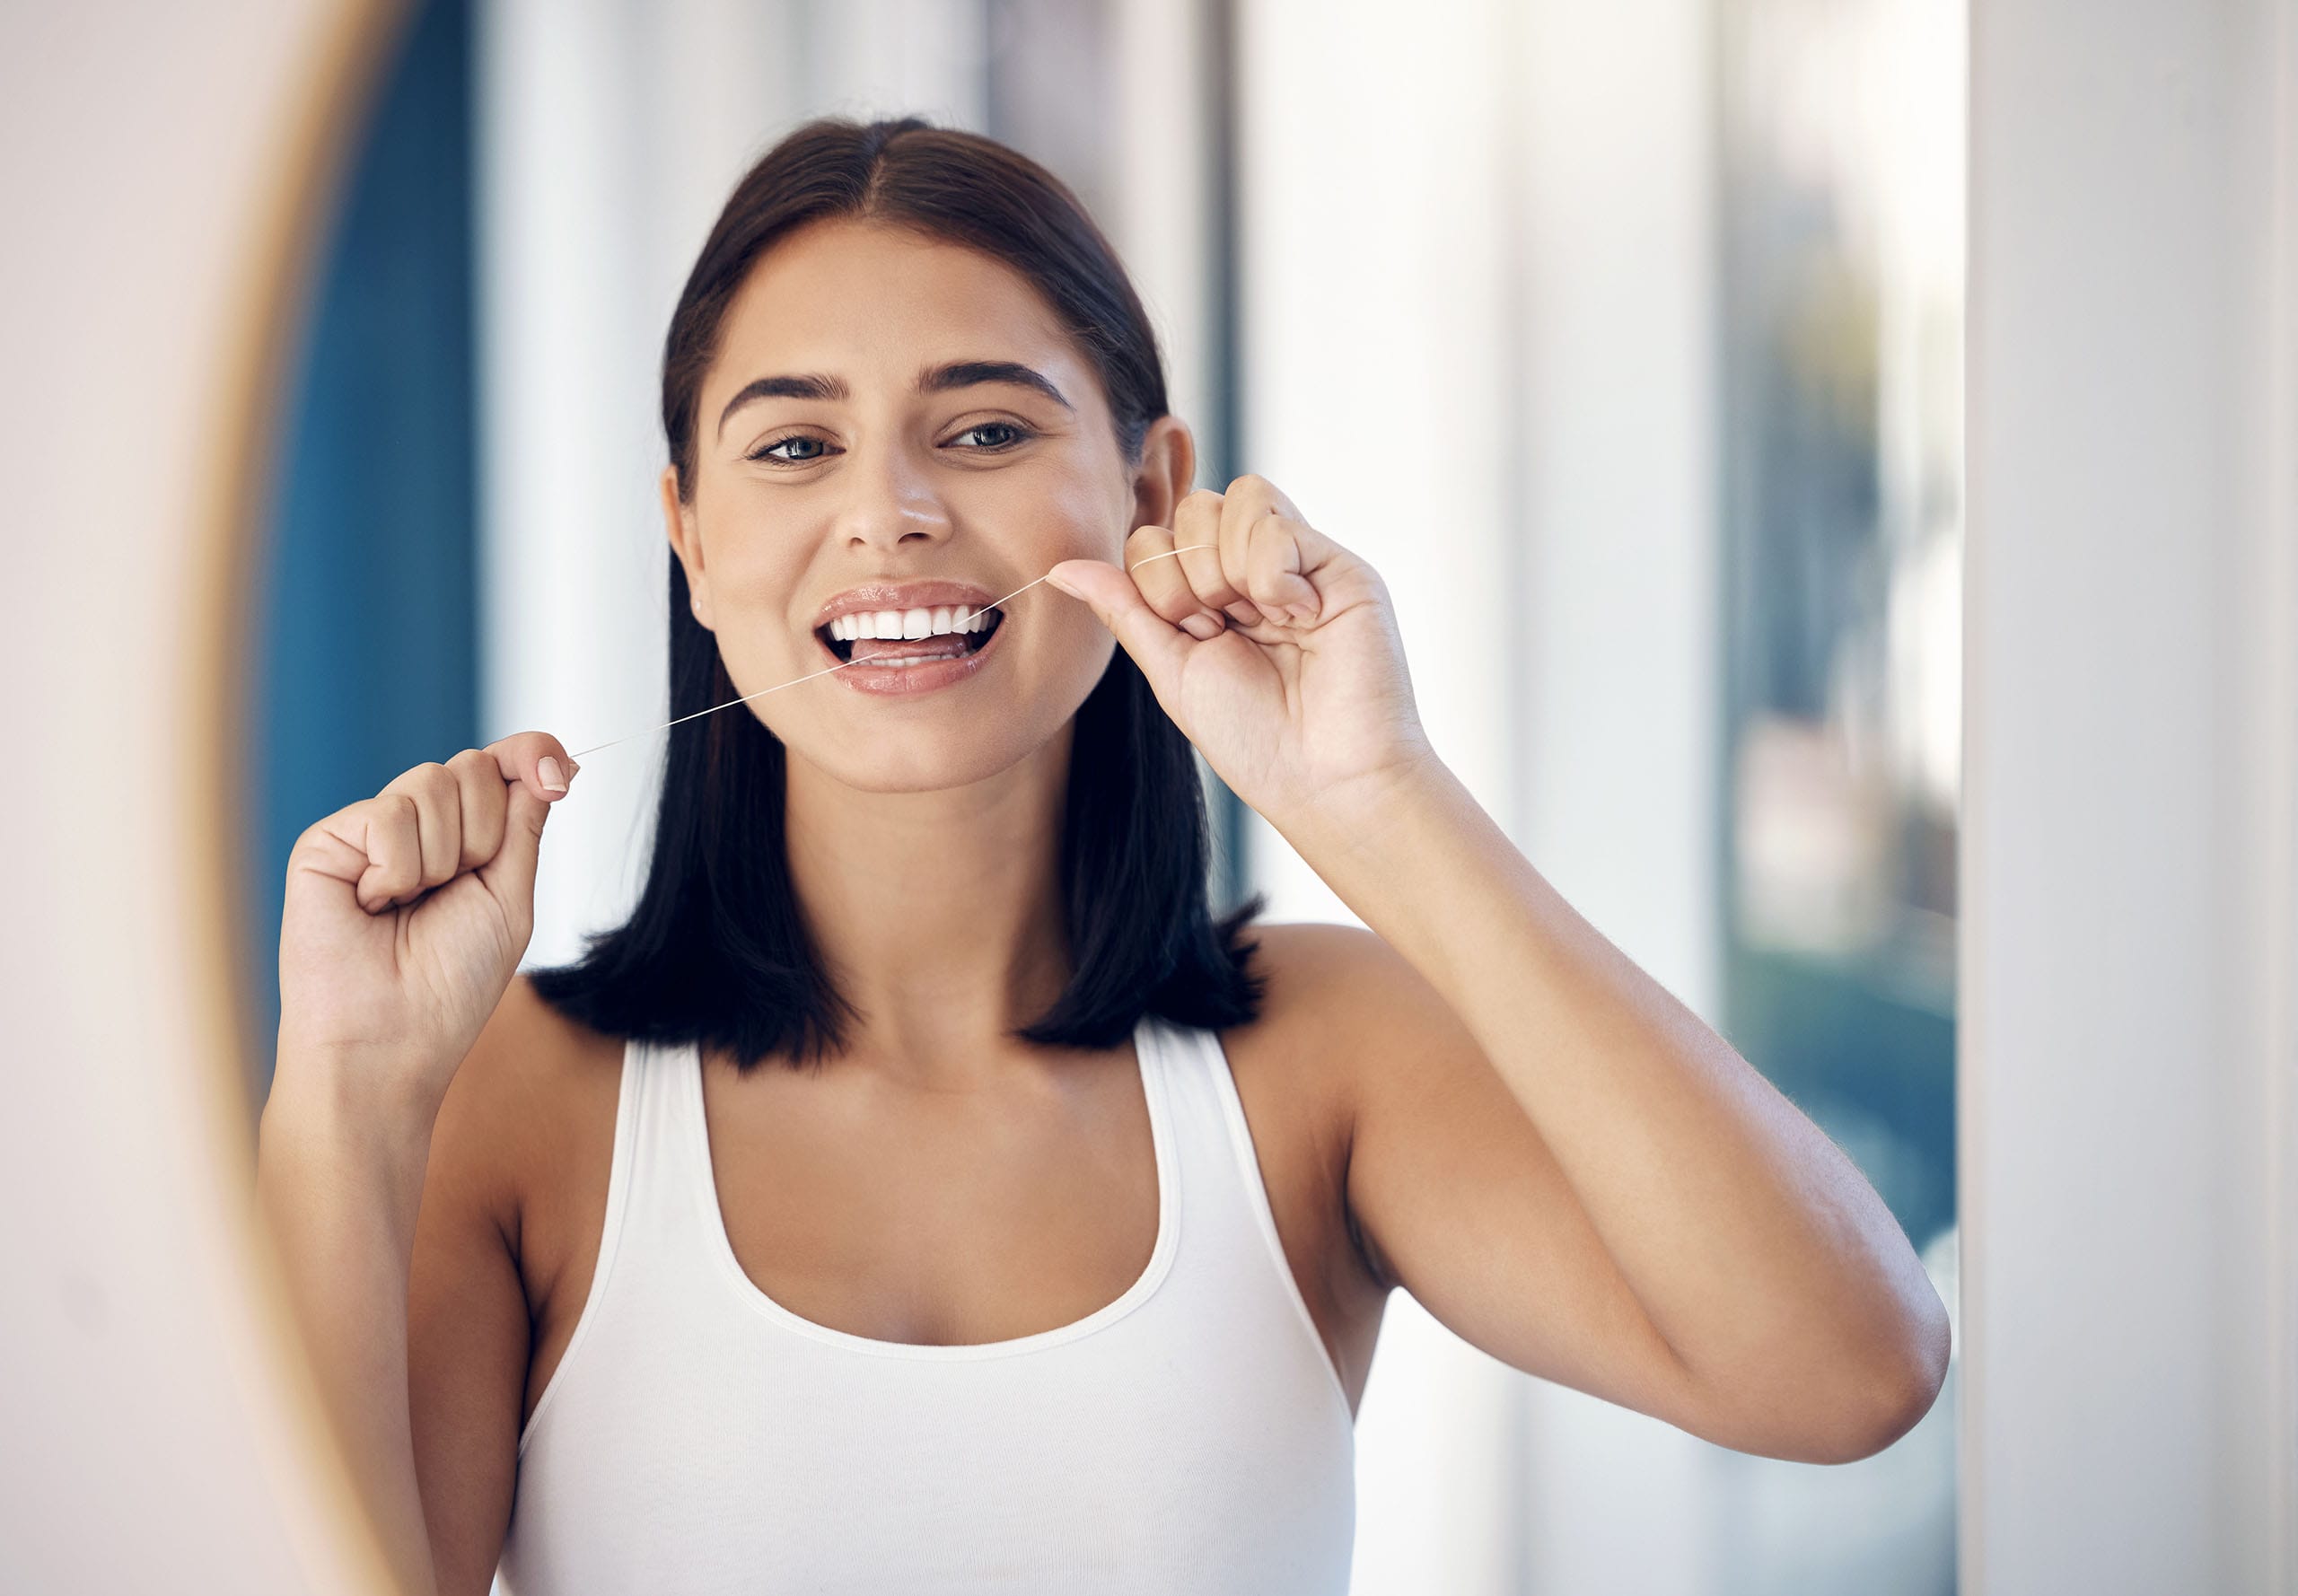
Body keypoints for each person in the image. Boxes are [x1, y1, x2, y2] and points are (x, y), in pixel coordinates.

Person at [257, 117, 1947, 1596]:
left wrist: (1372, 793)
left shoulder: (1318, 1061)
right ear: (689, 535)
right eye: (794, 445)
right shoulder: (511, 1106)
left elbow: (1846, 1366)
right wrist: (345, 1095)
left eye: (984, 430)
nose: (891, 511)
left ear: (1151, 487)